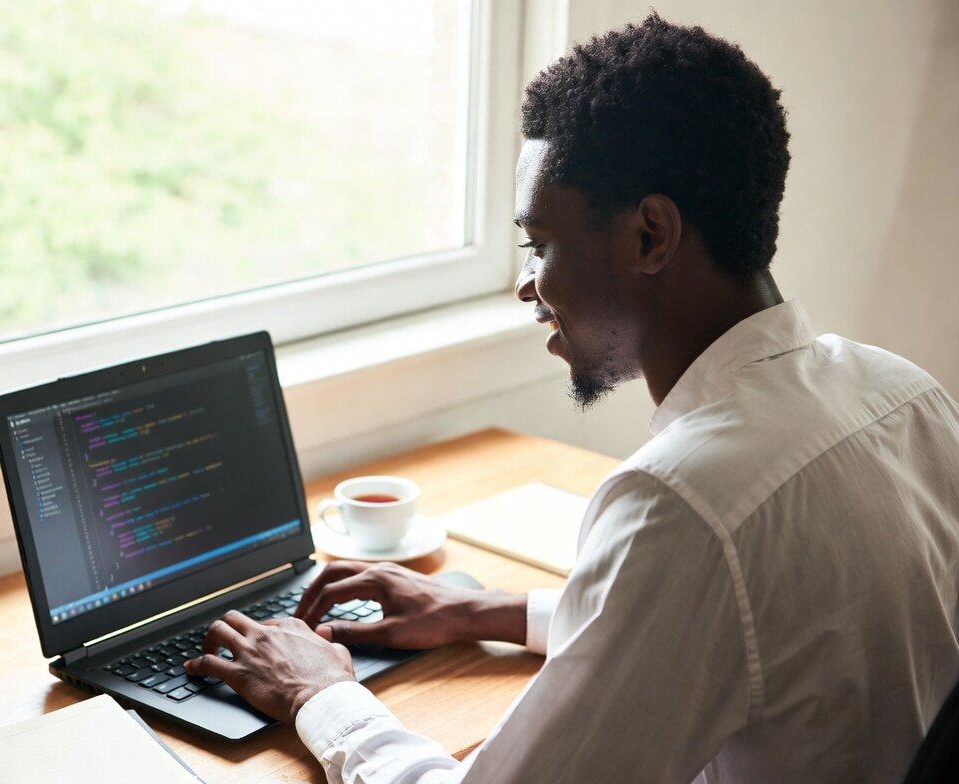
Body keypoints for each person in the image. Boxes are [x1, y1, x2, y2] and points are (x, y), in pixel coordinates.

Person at [185, 13, 959, 782]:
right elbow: (743, 625)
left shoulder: (687, 505)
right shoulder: (904, 393)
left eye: (540, 244)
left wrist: (318, 692)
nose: (527, 283)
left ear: (651, 235)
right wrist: (480, 610)